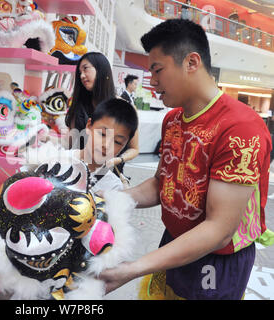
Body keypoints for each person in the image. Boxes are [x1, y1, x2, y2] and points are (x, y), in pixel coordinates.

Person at [98, 19, 273, 300]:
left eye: (157, 70)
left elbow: (219, 230)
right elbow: (161, 183)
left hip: (217, 259)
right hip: (176, 241)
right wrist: (112, 198)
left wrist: (133, 269)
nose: (152, 81)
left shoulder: (240, 127)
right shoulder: (173, 120)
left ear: (191, 62)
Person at [65, 51, 139, 173]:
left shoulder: (124, 107)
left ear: (101, 69)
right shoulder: (78, 106)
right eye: (79, 72)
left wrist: (117, 159)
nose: (82, 75)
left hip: (108, 173)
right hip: (78, 172)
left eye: (86, 69)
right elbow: (71, 142)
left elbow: (134, 149)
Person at [79, 98, 138, 193]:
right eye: (102, 134)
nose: (106, 145)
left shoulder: (114, 187)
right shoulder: (57, 162)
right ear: (89, 126)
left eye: (117, 142)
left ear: (124, 145)